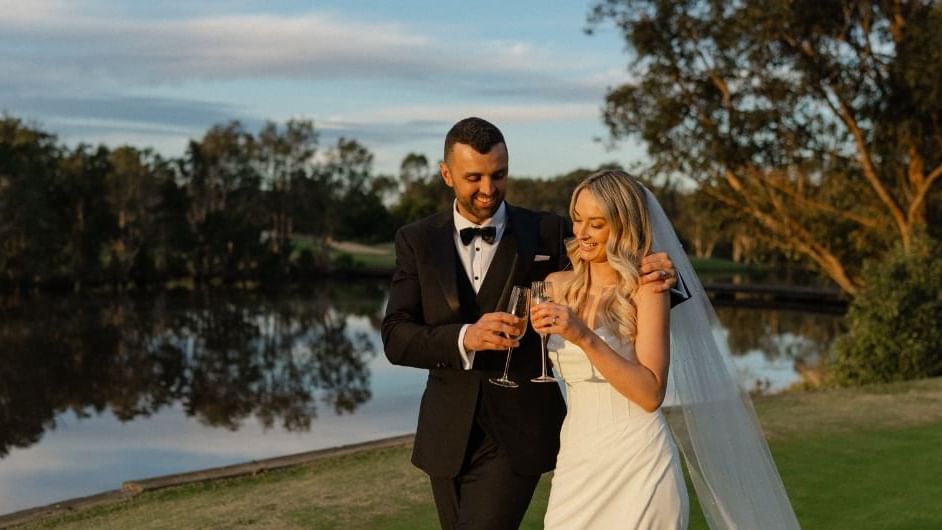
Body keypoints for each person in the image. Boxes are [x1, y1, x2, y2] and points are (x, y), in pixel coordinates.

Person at [381, 118, 679, 530]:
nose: (488, 189)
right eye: (474, 178)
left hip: (521, 427)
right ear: (446, 174)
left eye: (498, 175)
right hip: (446, 434)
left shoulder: (549, 232)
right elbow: (396, 336)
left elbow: (614, 269)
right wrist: (467, 336)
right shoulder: (416, 240)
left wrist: (665, 272)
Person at [532, 170, 800, 529]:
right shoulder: (555, 286)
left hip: (639, 460)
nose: (581, 233)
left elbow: (650, 393)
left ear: (624, 226)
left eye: (596, 224)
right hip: (577, 459)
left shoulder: (648, 288)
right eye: (578, 219)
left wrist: (583, 335)